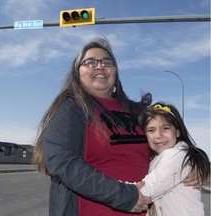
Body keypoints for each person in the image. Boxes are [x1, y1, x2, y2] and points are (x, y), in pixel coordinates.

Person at [33, 37, 199, 216]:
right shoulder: (70, 109)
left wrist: (189, 163)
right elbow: (63, 162)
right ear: (77, 73)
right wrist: (124, 196)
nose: (99, 66)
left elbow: (166, 142)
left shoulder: (137, 111)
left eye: (107, 62)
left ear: (115, 72)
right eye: (89, 62)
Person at [138, 102, 210, 216]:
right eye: (151, 130)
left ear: (177, 131)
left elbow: (148, 190)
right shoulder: (157, 158)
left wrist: (110, 189)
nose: (158, 135)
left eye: (165, 128)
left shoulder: (175, 155)